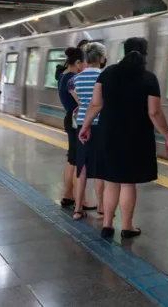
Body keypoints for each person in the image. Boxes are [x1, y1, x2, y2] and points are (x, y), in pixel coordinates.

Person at [79, 37, 168, 239]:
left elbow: (96, 104)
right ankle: (127, 227)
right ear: (145, 53)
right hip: (136, 137)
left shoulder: (107, 74)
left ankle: (107, 225)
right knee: (128, 183)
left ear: (124, 51)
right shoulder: (149, 78)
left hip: (108, 134)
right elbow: (154, 112)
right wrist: (167, 136)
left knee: (112, 181)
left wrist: (85, 126)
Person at [71, 43, 106, 220]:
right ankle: (101, 209)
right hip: (100, 123)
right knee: (100, 167)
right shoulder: (104, 77)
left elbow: (81, 101)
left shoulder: (77, 79)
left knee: (82, 167)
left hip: (81, 124)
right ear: (101, 58)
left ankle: (78, 209)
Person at [57, 47, 85, 208]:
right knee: (79, 161)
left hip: (70, 118)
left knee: (72, 159)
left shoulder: (63, 75)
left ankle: (68, 195)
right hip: (76, 120)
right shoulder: (73, 79)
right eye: (84, 63)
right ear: (78, 62)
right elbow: (83, 102)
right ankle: (80, 200)